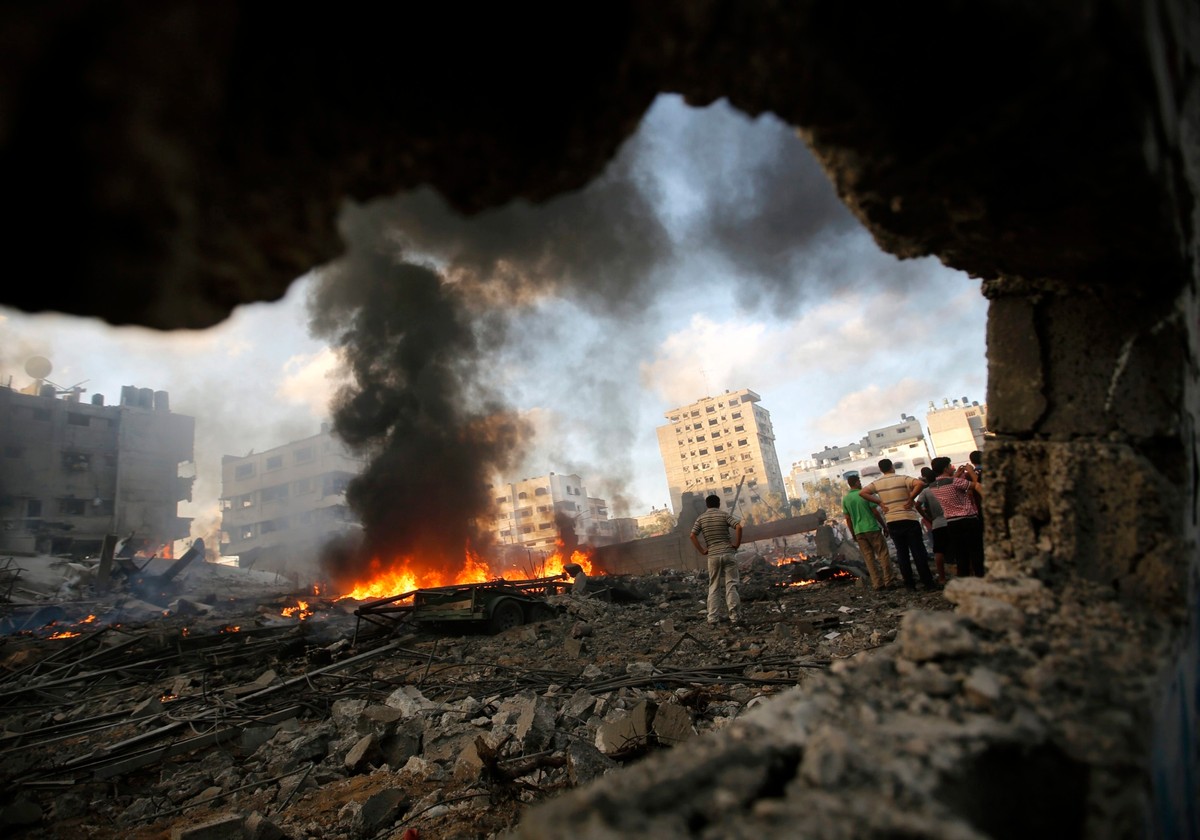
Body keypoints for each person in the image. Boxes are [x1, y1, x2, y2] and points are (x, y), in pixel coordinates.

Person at [860, 458, 938, 591]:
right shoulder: (902, 478)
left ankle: (909, 585)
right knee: (918, 552)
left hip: (892, 521)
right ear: (892, 467)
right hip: (909, 518)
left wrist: (880, 502)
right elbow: (919, 483)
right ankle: (928, 583)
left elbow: (863, 492)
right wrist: (910, 498)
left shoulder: (877, 483)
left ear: (881, 470)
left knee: (902, 554)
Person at [924, 456, 985, 577]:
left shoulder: (932, 486)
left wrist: (956, 474)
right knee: (976, 552)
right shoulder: (955, 482)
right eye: (950, 465)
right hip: (968, 519)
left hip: (952, 523)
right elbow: (977, 486)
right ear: (946, 468)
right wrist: (971, 472)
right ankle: (981, 577)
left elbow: (948, 482)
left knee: (961, 554)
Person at [689, 494, 744, 625]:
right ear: (718, 504)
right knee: (731, 584)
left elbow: (692, 535)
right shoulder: (724, 515)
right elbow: (739, 527)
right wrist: (736, 544)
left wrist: (702, 550)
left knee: (713, 586)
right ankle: (735, 616)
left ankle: (712, 618)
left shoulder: (701, 519)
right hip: (728, 553)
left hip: (713, 555)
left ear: (706, 505)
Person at [841, 474, 895, 591]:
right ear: (855, 483)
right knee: (882, 554)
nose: (860, 483)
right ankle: (889, 581)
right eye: (859, 481)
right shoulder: (865, 494)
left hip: (859, 531)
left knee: (869, 558)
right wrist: (884, 526)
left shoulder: (845, 499)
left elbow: (848, 519)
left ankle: (877, 583)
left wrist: (853, 533)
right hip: (872, 528)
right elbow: (875, 512)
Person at [915, 469, 949, 584]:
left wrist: (927, 518)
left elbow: (917, 505)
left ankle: (942, 578)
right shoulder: (945, 487)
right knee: (960, 547)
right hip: (951, 520)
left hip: (937, 523)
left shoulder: (926, 491)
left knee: (939, 551)